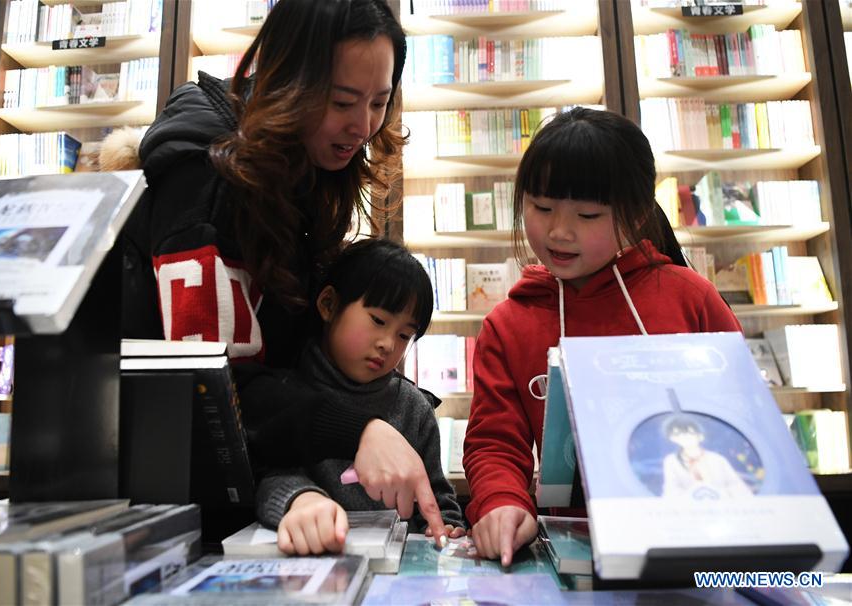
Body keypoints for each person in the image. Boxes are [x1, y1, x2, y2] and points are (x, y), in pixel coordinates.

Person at [108, 0, 447, 541]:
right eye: (342, 101)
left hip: (241, 496)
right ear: (290, 81)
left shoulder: (307, 173)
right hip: (175, 501)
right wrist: (359, 427)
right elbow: (216, 384)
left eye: (379, 102)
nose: (362, 125)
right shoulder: (207, 181)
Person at [463, 108, 743, 566]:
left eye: (588, 214)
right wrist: (500, 502)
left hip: (701, 538)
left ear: (636, 213)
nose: (559, 231)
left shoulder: (690, 298)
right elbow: (495, 442)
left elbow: (743, 414)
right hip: (572, 552)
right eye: (542, 207)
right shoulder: (508, 325)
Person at [254, 238, 465, 555]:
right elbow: (270, 478)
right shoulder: (288, 395)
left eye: (404, 335)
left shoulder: (414, 407)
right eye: (378, 321)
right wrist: (301, 499)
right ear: (328, 304)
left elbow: (438, 500)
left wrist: (447, 526)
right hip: (317, 563)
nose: (388, 344)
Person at [661, 416, 754, 499]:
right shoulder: (671, 461)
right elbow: (671, 490)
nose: (685, 437)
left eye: (690, 433)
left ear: (700, 436)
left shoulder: (717, 459)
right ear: (672, 438)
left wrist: (722, 494)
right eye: (678, 434)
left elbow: (736, 485)